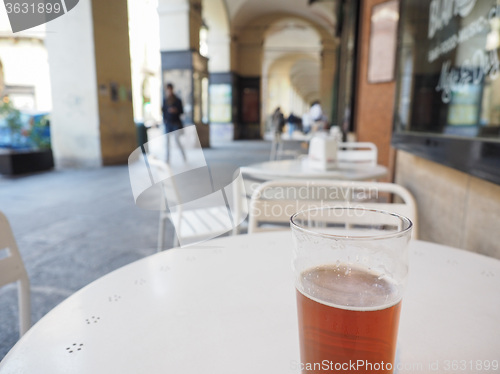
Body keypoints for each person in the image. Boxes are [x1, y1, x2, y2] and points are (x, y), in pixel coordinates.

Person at [162, 83, 186, 161]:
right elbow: (163, 111)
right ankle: (167, 159)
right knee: (167, 143)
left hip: (176, 123)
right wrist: (165, 120)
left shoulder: (177, 100)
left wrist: (175, 110)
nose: (169, 91)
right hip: (168, 124)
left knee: (177, 141)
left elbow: (181, 111)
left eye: (170, 89)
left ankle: (183, 156)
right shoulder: (165, 100)